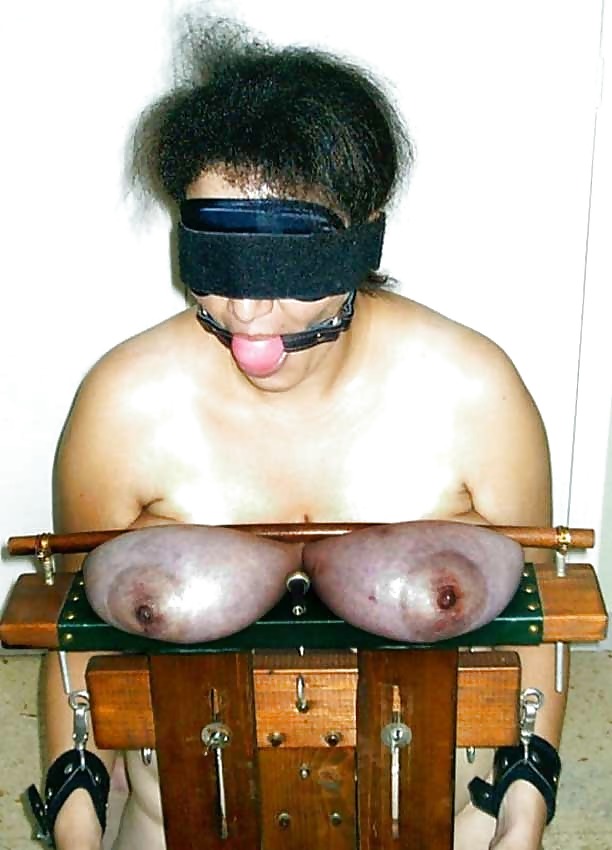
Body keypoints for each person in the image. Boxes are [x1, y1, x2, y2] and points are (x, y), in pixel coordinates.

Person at [40, 17, 565, 850]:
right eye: (220, 263)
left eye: (288, 268)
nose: (250, 313)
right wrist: (75, 825)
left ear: (364, 238)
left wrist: (523, 819)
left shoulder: (474, 394)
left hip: (438, 818)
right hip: (181, 822)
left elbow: (541, 624)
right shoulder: (124, 405)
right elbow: (74, 642)